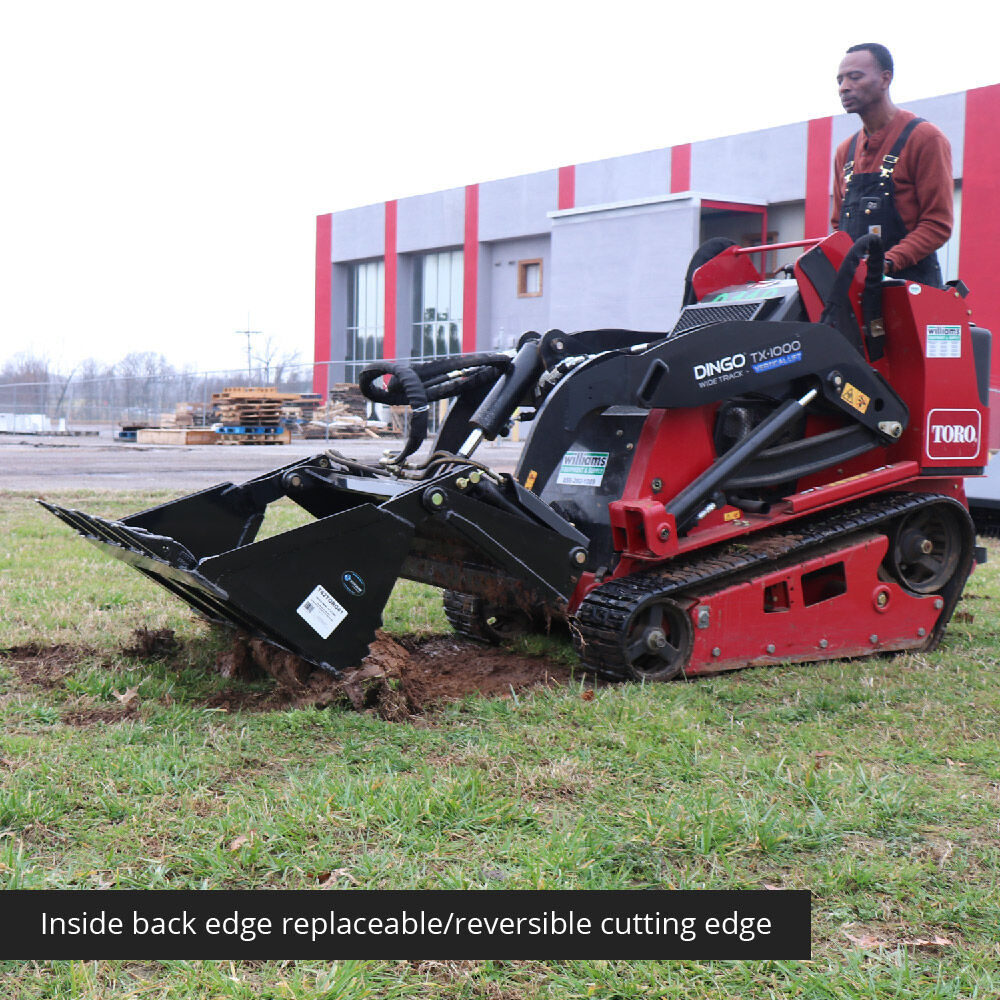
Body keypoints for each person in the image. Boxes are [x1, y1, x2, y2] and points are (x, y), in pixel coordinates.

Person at [832, 43, 953, 286]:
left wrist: (885, 262)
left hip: (913, 291)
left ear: (885, 79)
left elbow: (937, 224)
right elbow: (838, 228)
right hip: (859, 290)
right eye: (840, 80)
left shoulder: (925, 138)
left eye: (855, 77)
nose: (844, 87)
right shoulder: (844, 151)